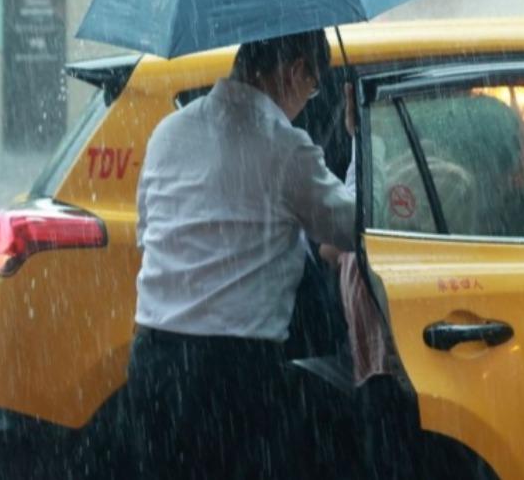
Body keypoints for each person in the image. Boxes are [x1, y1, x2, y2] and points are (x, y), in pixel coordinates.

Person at [126, 29, 357, 480]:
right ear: (294, 73)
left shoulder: (168, 132)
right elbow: (351, 228)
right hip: (233, 377)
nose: (307, 102)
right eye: (312, 89)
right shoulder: (283, 146)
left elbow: (147, 233)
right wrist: (359, 140)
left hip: (152, 363)